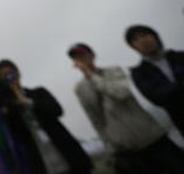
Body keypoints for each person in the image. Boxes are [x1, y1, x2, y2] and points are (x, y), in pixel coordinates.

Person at [68, 42, 184, 173]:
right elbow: (96, 119)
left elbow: (121, 93)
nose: (81, 59)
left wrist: (92, 76)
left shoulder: (114, 71)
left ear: (92, 55)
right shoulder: (80, 89)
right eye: (76, 57)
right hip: (126, 151)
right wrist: (110, 148)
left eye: (83, 55)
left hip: (153, 138)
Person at [0, 59, 92, 174]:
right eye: (5, 77)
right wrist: (8, 109)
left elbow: (57, 110)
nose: (10, 78)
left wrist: (27, 102)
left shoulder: (38, 93)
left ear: (18, 73)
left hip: (68, 156)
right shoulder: (11, 108)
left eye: (11, 74)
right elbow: (19, 136)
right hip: (43, 163)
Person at [125, 24, 184, 136]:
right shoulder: (140, 73)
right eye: (135, 40)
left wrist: (172, 88)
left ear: (155, 36)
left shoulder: (180, 57)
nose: (142, 41)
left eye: (144, 35)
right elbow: (157, 98)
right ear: (134, 47)